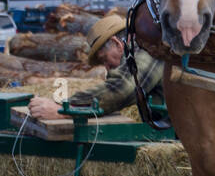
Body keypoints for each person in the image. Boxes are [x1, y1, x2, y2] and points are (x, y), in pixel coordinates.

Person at [27, 15, 164, 120]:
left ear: (117, 44)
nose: (107, 68)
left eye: (105, 59)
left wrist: (64, 110)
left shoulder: (149, 48)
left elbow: (121, 90)